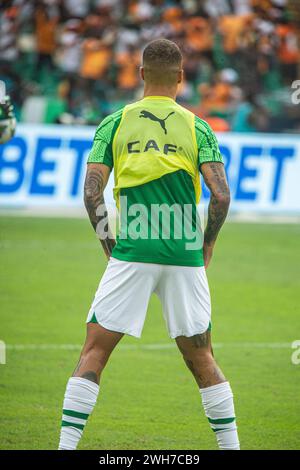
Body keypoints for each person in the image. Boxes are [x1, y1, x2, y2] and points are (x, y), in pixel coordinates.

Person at [58, 39, 240, 451]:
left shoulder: (114, 122)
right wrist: (206, 244)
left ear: (141, 75)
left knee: (94, 353)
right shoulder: (198, 126)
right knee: (202, 357)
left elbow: (91, 193)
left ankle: (65, 447)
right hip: (184, 254)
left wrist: (110, 243)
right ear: (181, 77)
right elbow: (222, 196)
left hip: (133, 251)